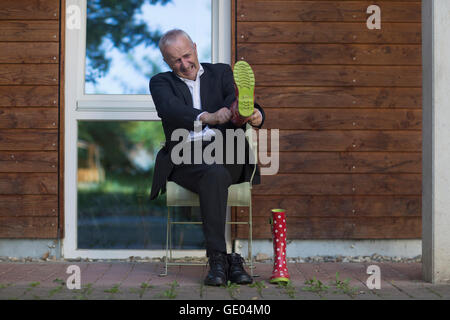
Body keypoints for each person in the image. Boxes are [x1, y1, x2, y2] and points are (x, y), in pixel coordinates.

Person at [149, 29, 265, 286]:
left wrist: (253, 115)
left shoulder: (222, 72)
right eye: (175, 61)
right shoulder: (160, 82)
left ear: (196, 48)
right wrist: (207, 117)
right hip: (185, 157)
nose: (184, 64)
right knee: (212, 172)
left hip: (228, 151)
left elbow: (234, 98)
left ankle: (218, 262)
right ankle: (227, 260)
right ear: (167, 62)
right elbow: (171, 109)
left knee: (239, 111)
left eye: (187, 55)